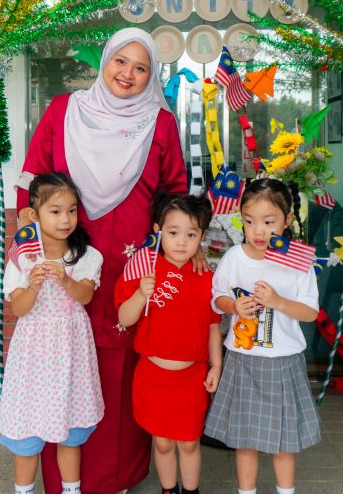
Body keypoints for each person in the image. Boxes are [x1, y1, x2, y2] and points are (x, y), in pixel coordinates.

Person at [17, 27, 188, 494]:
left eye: (141, 68)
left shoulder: (160, 123)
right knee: (60, 363)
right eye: (120, 61)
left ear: (151, 76)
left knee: (122, 364)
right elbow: (30, 182)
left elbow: (174, 194)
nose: (128, 74)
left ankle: (119, 476)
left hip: (131, 265)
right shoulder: (63, 111)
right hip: (63, 263)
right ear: (105, 61)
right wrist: (26, 247)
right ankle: (61, 478)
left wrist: (172, 254)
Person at [204, 178, 322, 494]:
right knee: (245, 439)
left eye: (268, 222)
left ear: (286, 220)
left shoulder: (297, 262)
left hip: (283, 362)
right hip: (243, 360)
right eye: (249, 221)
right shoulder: (233, 257)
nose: (258, 231)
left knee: (284, 440)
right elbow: (217, 298)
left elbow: (310, 312)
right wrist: (233, 305)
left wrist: (278, 302)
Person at [0, 172, 104, 494]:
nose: (66, 219)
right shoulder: (22, 257)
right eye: (55, 211)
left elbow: (86, 296)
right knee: (26, 434)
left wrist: (66, 280)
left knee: (70, 429)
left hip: (70, 351)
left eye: (72, 210)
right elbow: (19, 309)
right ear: (33, 213)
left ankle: (71, 490)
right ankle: (24, 489)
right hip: (32, 354)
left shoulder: (87, 255)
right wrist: (32, 284)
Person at [115, 193, 222, 494]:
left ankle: (191, 491)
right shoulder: (143, 269)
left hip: (191, 377)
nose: (181, 242)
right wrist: (140, 295)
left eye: (191, 234)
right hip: (153, 377)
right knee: (162, 443)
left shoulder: (205, 276)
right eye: (173, 233)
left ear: (202, 236)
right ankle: (168, 489)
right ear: (157, 230)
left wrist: (217, 365)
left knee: (189, 442)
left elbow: (214, 326)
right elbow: (125, 317)